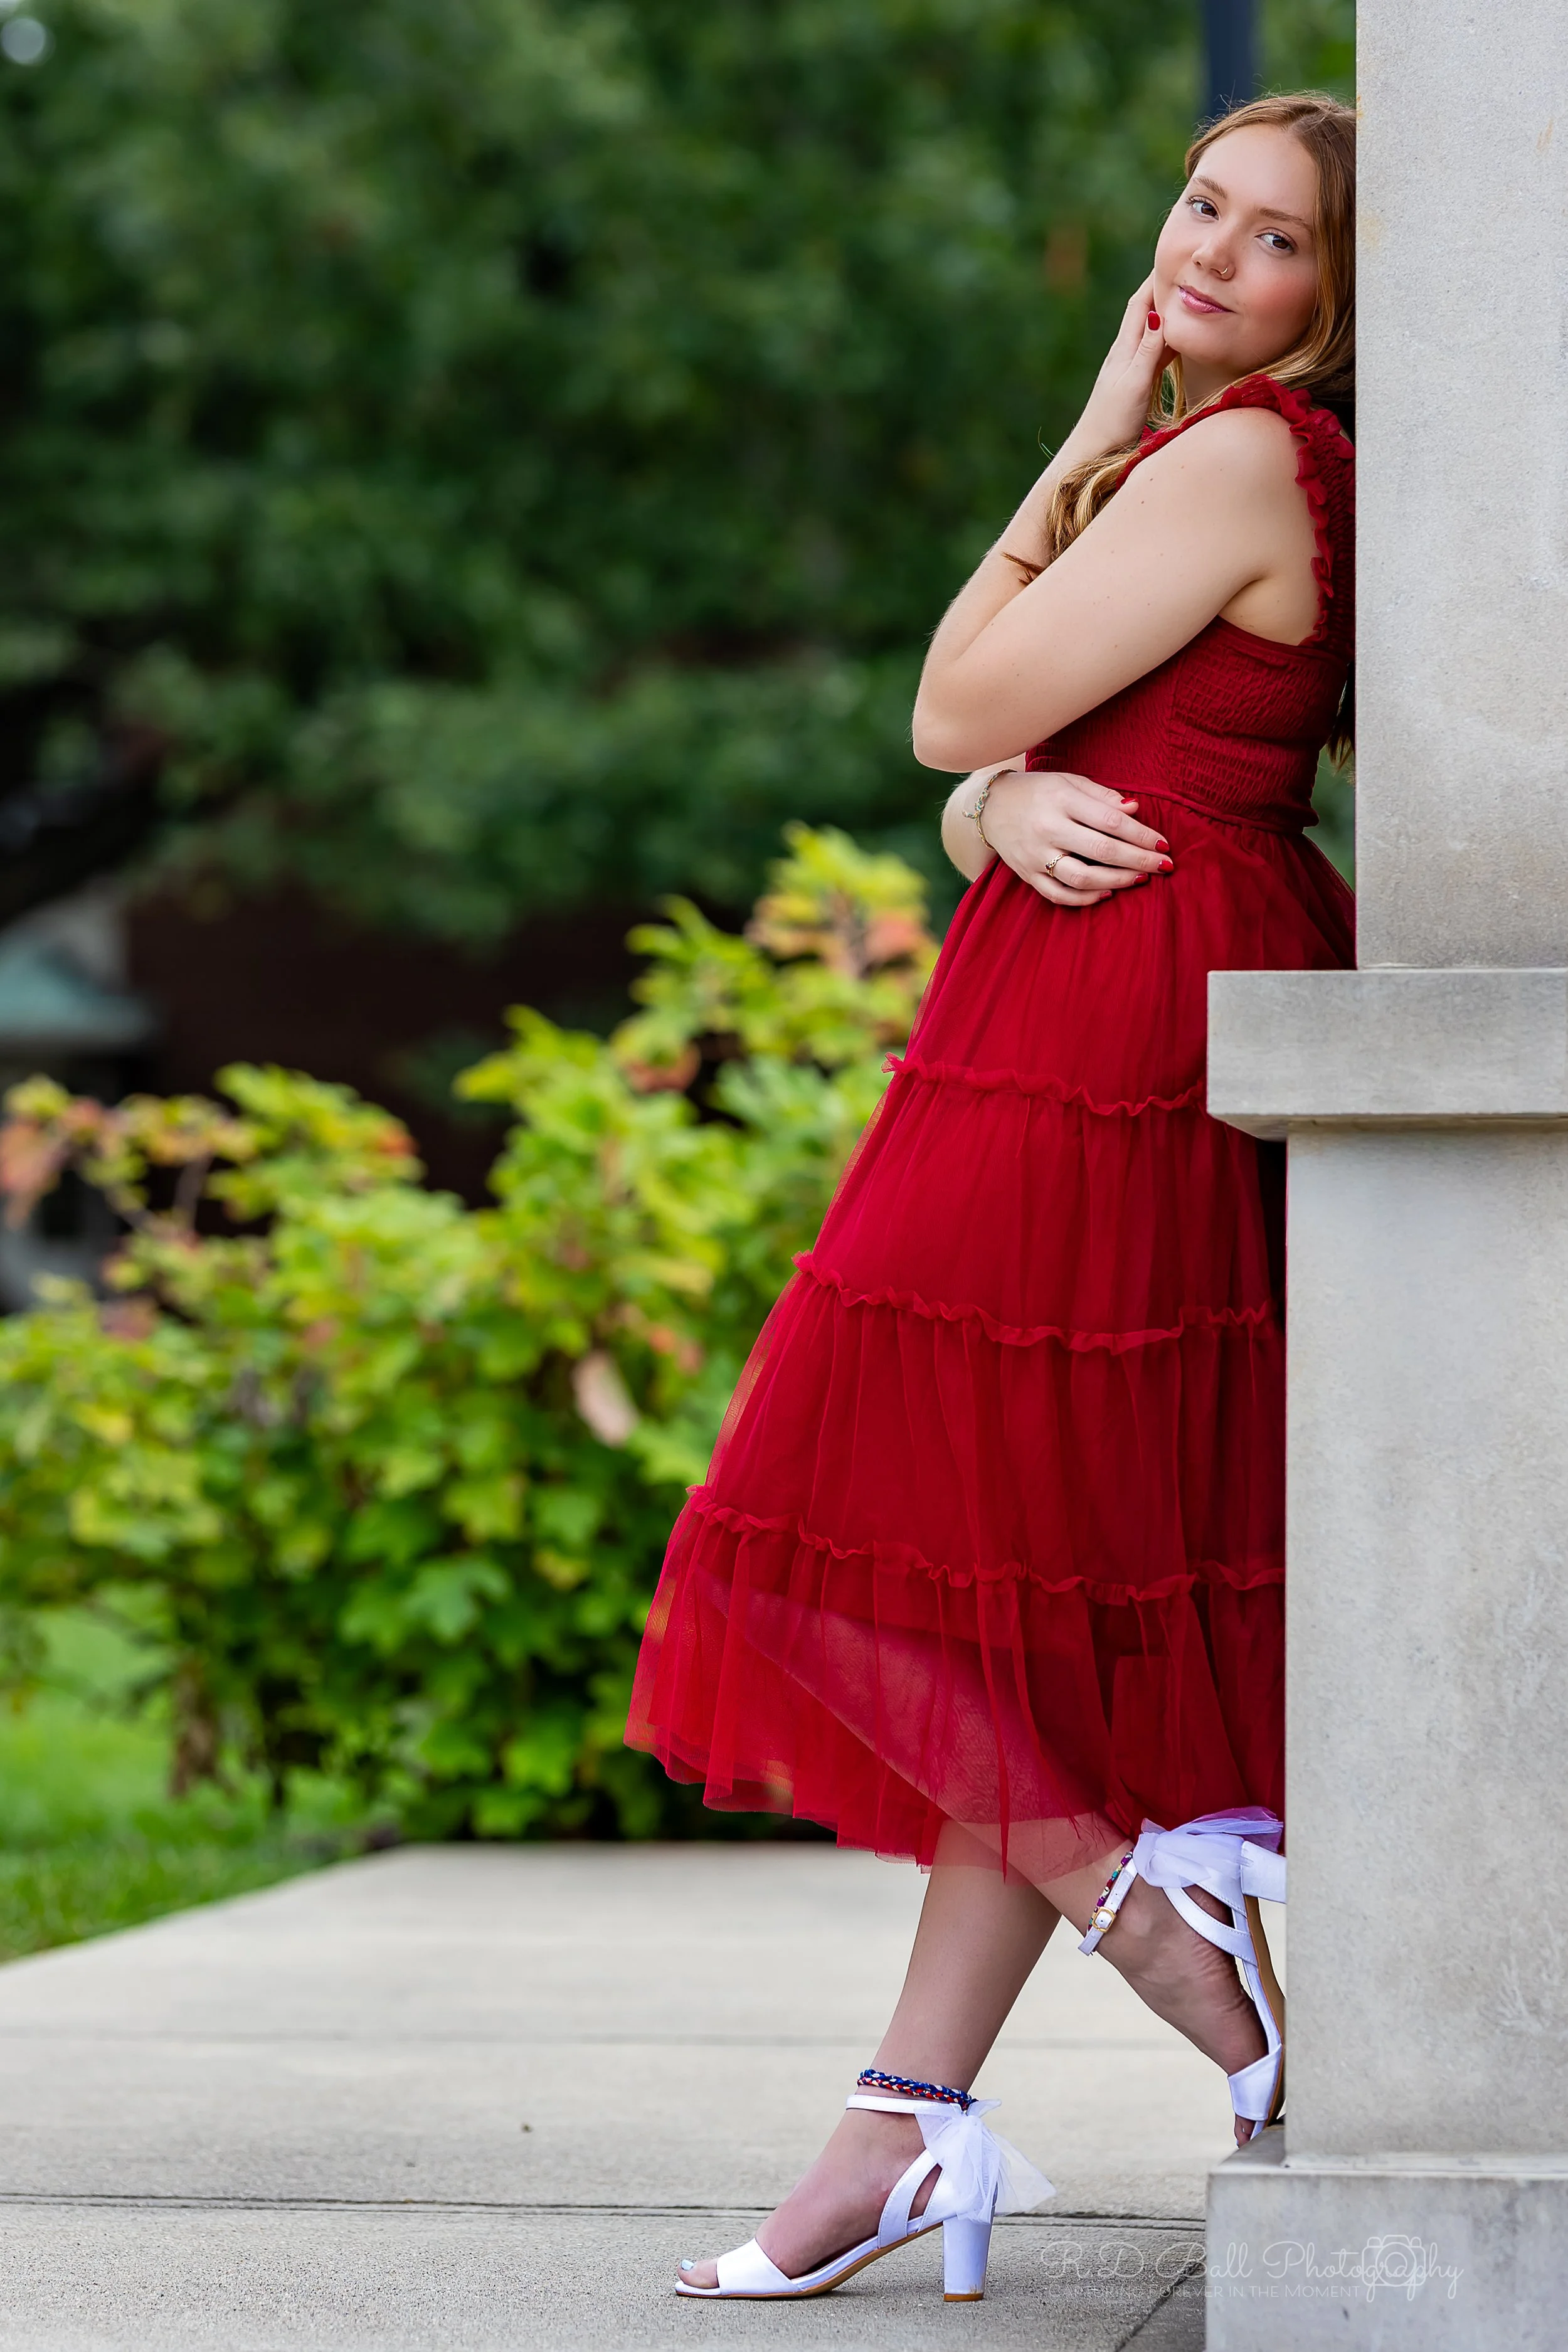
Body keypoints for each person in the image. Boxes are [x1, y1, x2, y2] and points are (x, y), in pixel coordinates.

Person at [627, 90, 1357, 2304]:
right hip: (1104, 961)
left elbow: (953, 695)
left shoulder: (1238, 456)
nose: (1214, 254)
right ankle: (907, 2121)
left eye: (1279, 239)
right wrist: (987, 819)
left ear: (1341, 302)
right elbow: (1011, 761)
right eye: (1200, 207)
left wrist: (1098, 418)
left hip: (1107, 1021)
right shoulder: (1240, 459)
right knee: (1016, 1560)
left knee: (841, 1532)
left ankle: (1164, 1916)